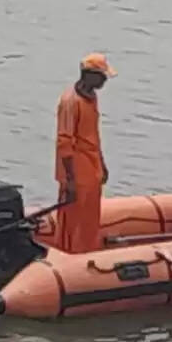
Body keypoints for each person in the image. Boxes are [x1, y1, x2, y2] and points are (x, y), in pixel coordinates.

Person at [54, 53, 115, 254]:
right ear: (89, 75)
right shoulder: (70, 102)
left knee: (90, 218)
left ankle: (87, 252)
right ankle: (67, 254)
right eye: (102, 76)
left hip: (91, 168)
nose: (105, 80)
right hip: (76, 171)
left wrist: (102, 163)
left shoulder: (91, 97)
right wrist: (70, 180)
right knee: (72, 220)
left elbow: (93, 135)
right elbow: (65, 142)